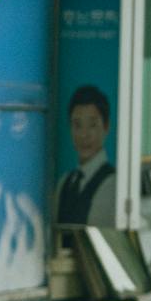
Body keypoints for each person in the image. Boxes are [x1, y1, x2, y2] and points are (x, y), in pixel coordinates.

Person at [57, 85, 117, 227]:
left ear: (106, 126)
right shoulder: (64, 183)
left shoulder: (112, 183)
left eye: (92, 125)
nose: (84, 134)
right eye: (77, 125)